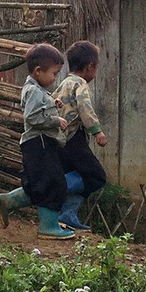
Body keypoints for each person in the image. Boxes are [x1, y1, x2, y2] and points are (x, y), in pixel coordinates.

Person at [0, 43, 75, 240]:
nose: (56, 77)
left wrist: (52, 104)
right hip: (38, 144)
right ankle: (48, 227)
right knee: (53, 183)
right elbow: (31, 117)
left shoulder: (37, 89)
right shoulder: (33, 91)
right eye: (54, 73)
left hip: (40, 144)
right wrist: (56, 119)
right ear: (39, 71)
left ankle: (7, 201)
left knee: (38, 184)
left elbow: (38, 109)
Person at [54, 41, 107, 231]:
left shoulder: (62, 84)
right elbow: (85, 107)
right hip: (73, 138)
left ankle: (67, 214)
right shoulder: (80, 83)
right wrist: (97, 131)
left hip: (60, 139)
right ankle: (54, 189)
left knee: (76, 174)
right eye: (96, 67)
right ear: (90, 66)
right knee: (96, 177)